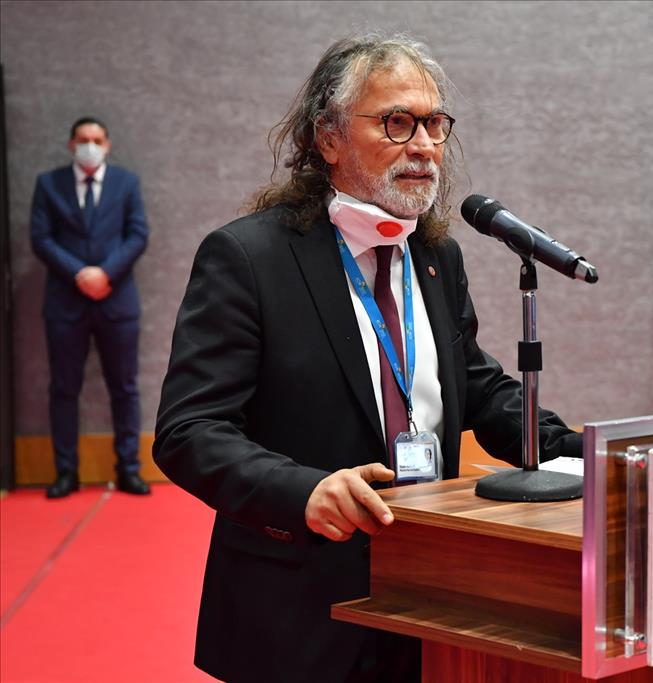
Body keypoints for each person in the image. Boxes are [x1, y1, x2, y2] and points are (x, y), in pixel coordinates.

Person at [153, 34, 581, 683]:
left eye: (434, 124)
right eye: (397, 122)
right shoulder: (248, 259)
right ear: (328, 138)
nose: (424, 145)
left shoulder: (437, 257)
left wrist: (582, 451)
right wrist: (304, 491)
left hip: (433, 591)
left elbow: (476, 387)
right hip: (299, 608)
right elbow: (189, 431)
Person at [30, 117, 150, 498]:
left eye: (97, 140)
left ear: (107, 145)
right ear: (71, 144)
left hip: (117, 301)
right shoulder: (49, 184)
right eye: (83, 139)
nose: (90, 146)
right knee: (63, 389)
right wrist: (80, 274)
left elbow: (138, 234)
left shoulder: (126, 183)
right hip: (65, 303)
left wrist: (105, 273)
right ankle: (66, 472)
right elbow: (41, 238)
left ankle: (129, 469)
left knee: (125, 388)